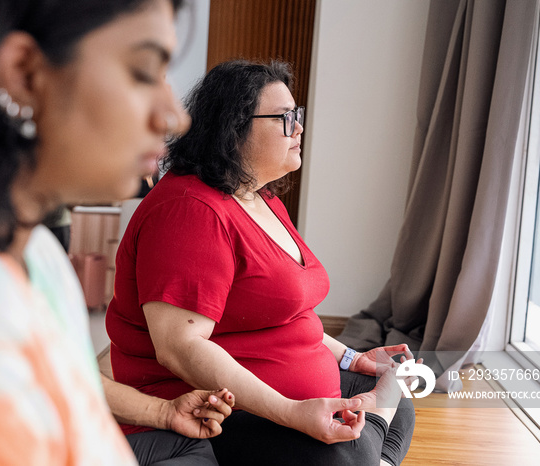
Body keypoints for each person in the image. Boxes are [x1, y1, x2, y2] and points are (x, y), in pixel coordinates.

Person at [0, 0, 234, 464]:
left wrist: (161, 412)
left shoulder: (35, 252)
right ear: (24, 73)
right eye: (143, 72)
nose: (174, 116)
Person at [106, 59, 418, 466]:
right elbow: (179, 348)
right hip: (210, 405)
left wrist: (351, 359)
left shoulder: (260, 197)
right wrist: (292, 412)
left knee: (399, 408)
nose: (300, 128)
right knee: (351, 450)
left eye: (298, 115)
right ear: (233, 126)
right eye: (285, 118)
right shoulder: (190, 211)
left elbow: (288, 315)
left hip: (286, 387)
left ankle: (373, 437)